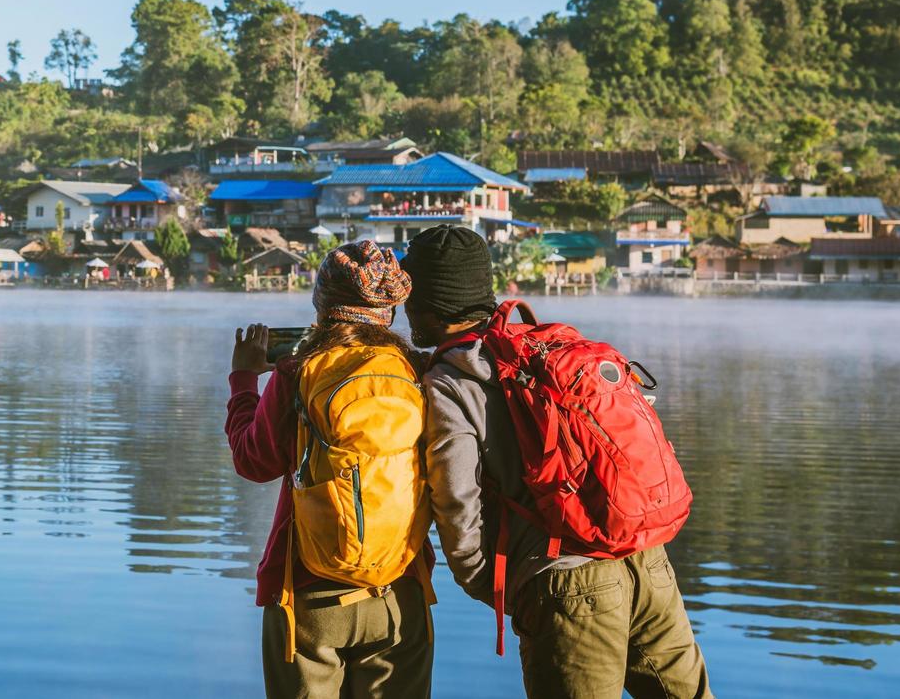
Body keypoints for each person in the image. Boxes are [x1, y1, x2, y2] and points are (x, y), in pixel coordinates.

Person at [401, 224, 712, 699]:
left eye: (410, 296)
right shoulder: (547, 348)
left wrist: (509, 591)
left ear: (428, 303)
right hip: (646, 557)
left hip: (563, 582)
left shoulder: (451, 381)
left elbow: (458, 505)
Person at [225, 240, 435, 699]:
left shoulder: (298, 371)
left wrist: (244, 380)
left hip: (308, 592)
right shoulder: (417, 372)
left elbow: (253, 460)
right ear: (388, 311)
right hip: (398, 589)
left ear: (322, 307)